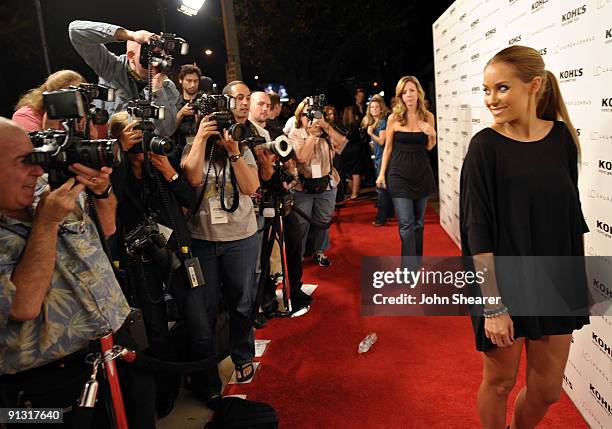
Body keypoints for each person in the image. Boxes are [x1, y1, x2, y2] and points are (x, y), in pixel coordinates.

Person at [460, 45, 590, 429]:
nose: (491, 100)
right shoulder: (484, 147)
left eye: (501, 88)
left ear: (533, 85)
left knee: (548, 390)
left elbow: (567, 218)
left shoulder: (563, 139)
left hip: (556, 279)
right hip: (503, 281)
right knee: (499, 383)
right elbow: (477, 232)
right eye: (486, 90)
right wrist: (494, 306)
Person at [0, 117, 156, 428]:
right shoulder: (48, 207)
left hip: (118, 350)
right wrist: (46, 223)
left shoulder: (50, 189)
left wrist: (102, 192)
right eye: (23, 162)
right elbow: (22, 305)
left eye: (36, 158)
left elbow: (107, 229)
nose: (36, 170)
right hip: (43, 391)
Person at [108, 111, 196, 417]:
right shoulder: (115, 172)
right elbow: (113, 203)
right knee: (156, 330)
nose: (141, 136)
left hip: (174, 253)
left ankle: (195, 373)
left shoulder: (158, 161)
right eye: (133, 132)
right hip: (140, 261)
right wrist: (119, 153)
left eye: (144, 129)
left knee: (195, 315)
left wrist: (165, 168)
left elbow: (189, 198)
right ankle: (166, 392)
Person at [181, 81, 260, 403]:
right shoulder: (191, 142)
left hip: (240, 236)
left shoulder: (239, 142)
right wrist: (200, 137)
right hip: (202, 239)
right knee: (206, 309)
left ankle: (243, 357)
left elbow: (250, 187)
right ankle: (208, 372)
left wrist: (235, 152)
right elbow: (192, 177)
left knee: (242, 302)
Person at [68, 20, 178, 137]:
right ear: (131, 56)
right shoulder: (112, 68)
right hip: (113, 148)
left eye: (158, 55)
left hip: (144, 151)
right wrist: (130, 35)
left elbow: (166, 132)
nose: (155, 62)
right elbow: (75, 31)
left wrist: (157, 90)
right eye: (149, 55)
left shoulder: (166, 86)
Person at [376, 76, 436, 262]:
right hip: (398, 174)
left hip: (421, 173)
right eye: (404, 92)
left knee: (418, 224)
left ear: (418, 92)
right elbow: (388, 148)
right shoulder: (394, 118)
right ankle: (409, 268)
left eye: (412, 90)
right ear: (400, 96)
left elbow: (429, 146)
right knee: (406, 225)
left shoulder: (428, 117)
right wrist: (381, 174)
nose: (408, 95)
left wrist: (432, 134)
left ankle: (416, 263)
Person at [289, 99, 348, 267]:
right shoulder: (295, 134)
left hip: (327, 184)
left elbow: (342, 144)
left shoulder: (326, 131)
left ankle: (319, 252)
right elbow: (301, 159)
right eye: (305, 114)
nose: (309, 117)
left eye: (312, 113)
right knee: (301, 224)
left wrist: (325, 126)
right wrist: (313, 136)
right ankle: (297, 258)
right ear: (299, 117)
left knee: (323, 221)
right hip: (302, 186)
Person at [12, 70, 85, 132]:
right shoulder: (25, 116)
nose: (74, 102)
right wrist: (50, 128)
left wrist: (89, 134)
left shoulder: (85, 113)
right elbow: (31, 147)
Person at [362, 94, 393, 226]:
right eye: (371, 107)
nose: (373, 109)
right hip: (377, 158)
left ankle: (381, 218)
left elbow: (382, 141)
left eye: (376, 107)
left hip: (382, 159)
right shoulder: (374, 122)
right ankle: (390, 213)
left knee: (381, 188)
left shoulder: (382, 122)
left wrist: (371, 134)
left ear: (381, 109)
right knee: (384, 187)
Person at [175, 64, 202, 153]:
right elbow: (168, 130)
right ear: (180, 80)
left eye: (196, 81)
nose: (193, 85)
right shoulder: (174, 102)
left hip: (203, 150)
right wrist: (181, 113)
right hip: (179, 150)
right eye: (189, 81)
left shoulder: (205, 101)